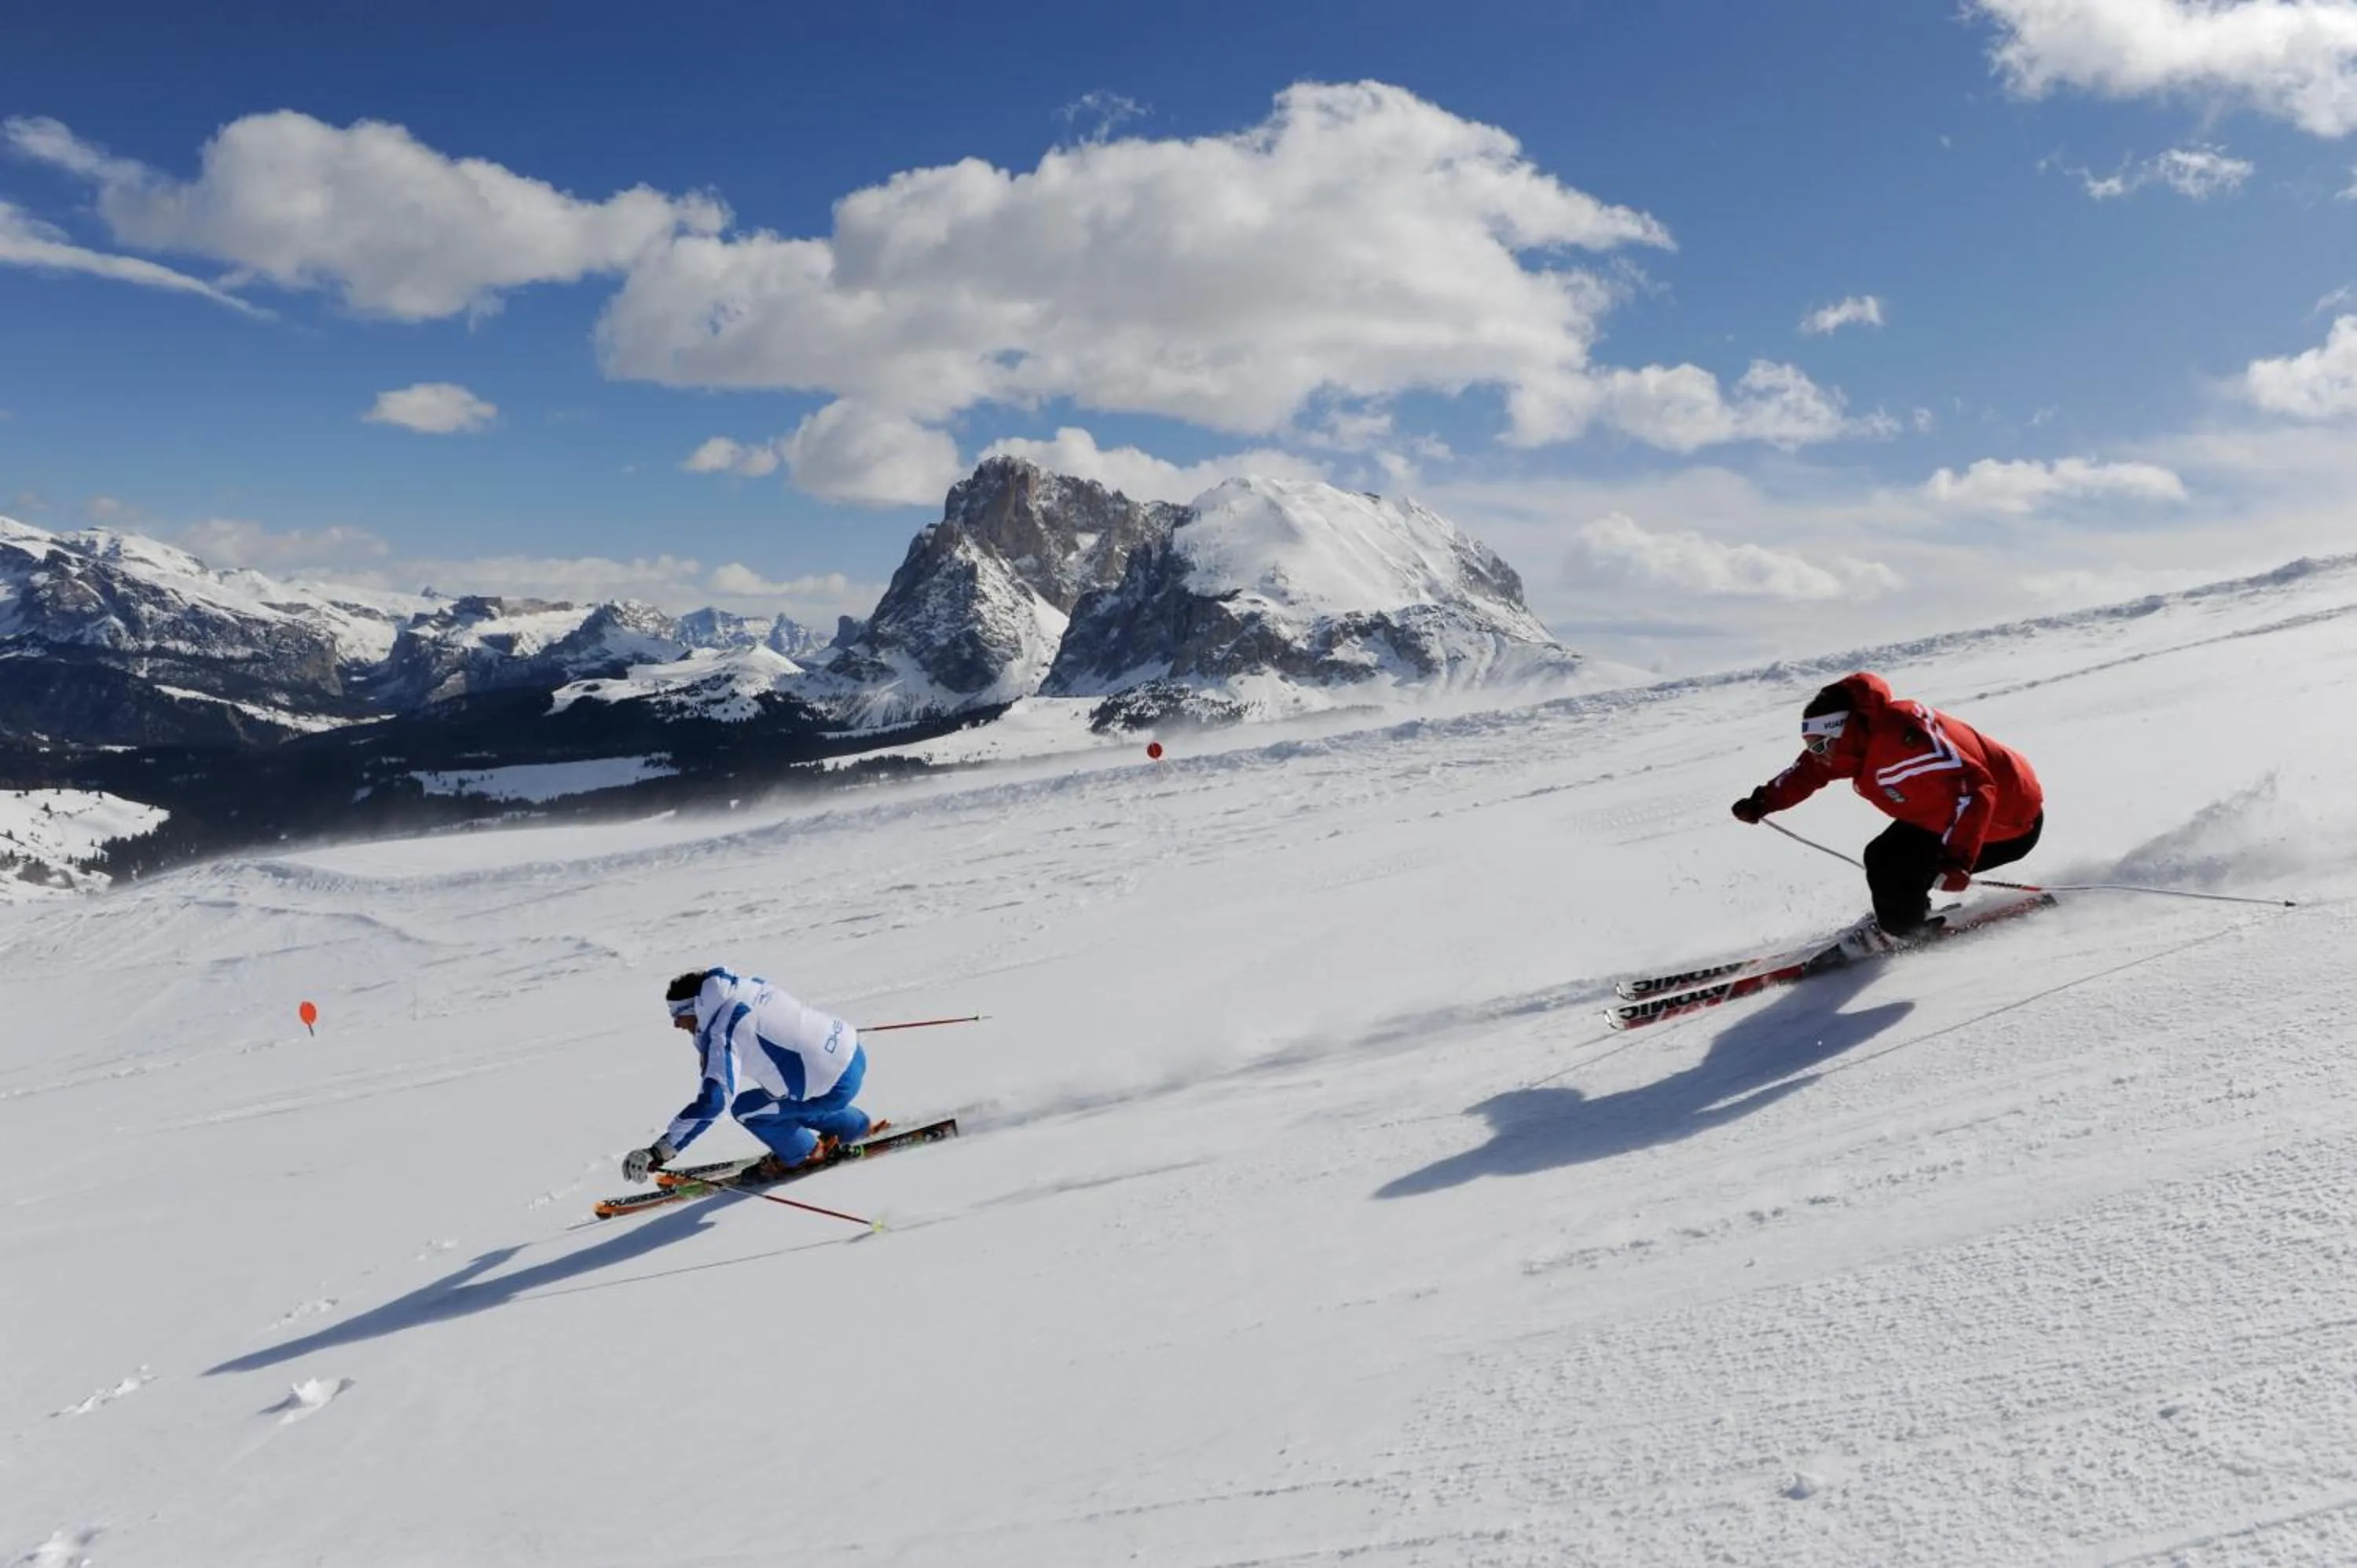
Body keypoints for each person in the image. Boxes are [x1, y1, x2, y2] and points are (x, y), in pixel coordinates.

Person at [1730, 672, 2045, 954]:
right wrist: (1764, 801)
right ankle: (1904, 919)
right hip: (1949, 817)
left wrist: (1957, 860)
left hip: (2005, 824)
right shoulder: (1859, 741)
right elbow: (1808, 771)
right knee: (1884, 858)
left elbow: (1975, 789)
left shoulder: (1905, 739)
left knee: (1896, 868)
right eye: (1812, 746)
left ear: (1845, 731)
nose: (1817, 755)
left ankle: (1906, 932)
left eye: (1820, 745)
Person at [622, 968, 874, 1185]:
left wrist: (659, 1151)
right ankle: (853, 1126)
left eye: (678, 1016)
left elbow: (714, 1103)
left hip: (831, 1087)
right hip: (852, 1053)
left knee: (747, 1109)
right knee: (785, 1095)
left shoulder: (724, 1032)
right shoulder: (745, 986)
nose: (676, 1024)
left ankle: (805, 1155)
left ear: (696, 1007)